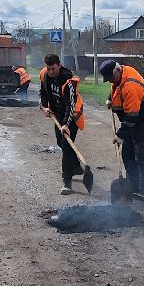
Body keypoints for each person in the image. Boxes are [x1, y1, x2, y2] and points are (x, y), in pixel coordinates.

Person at [100, 60, 144, 203]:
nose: (111, 81)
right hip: (130, 120)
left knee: (142, 155)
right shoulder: (120, 75)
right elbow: (116, 86)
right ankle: (134, 186)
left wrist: (120, 135)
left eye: (111, 78)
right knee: (127, 154)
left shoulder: (131, 86)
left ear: (117, 70)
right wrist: (109, 98)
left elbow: (132, 117)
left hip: (142, 120)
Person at [39, 54, 85, 194]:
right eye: (49, 69)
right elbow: (43, 93)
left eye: (53, 69)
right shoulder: (44, 75)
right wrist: (44, 107)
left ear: (59, 65)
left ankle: (67, 181)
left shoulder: (69, 80)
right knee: (61, 143)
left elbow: (71, 105)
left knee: (66, 146)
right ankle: (76, 167)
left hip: (71, 116)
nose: (51, 72)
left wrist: (66, 124)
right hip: (57, 115)